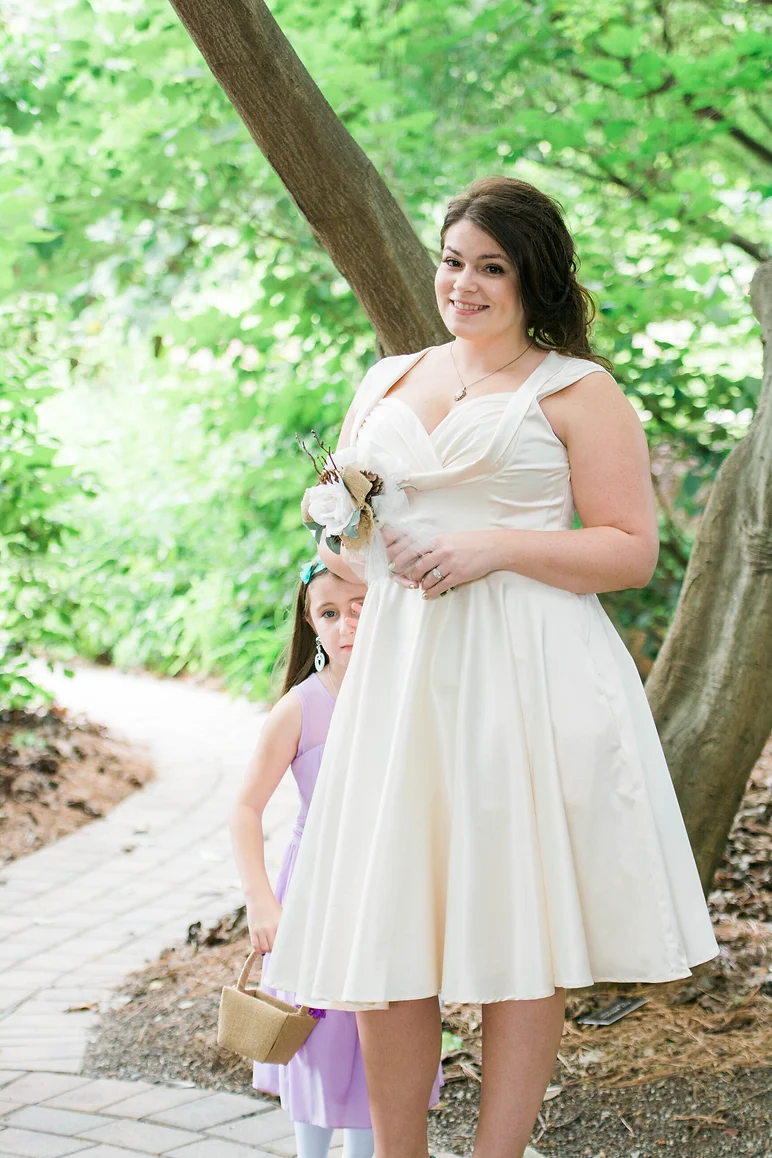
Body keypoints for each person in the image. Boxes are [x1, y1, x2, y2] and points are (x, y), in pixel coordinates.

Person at [265, 177, 719, 1158]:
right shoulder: (388, 379)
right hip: (403, 678)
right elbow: (358, 542)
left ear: (532, 279)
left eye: (492, 267)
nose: (462, 284)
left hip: (524, 676)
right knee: (387, 919)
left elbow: (630, 551)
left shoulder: (577, 391)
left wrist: (496, 547)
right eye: (452, 260)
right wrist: (340, 529)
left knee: (519, 928)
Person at [230, 558, 441, 1158]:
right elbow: (245, 808)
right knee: (319, 1037)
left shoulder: (410, 695)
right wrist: (261, 900)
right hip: (317, 896)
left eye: (361, 606)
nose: (347, 624)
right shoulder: (302, 708)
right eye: (330, 613)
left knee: (384, 1032)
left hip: (391, 888)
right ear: (311, 624)